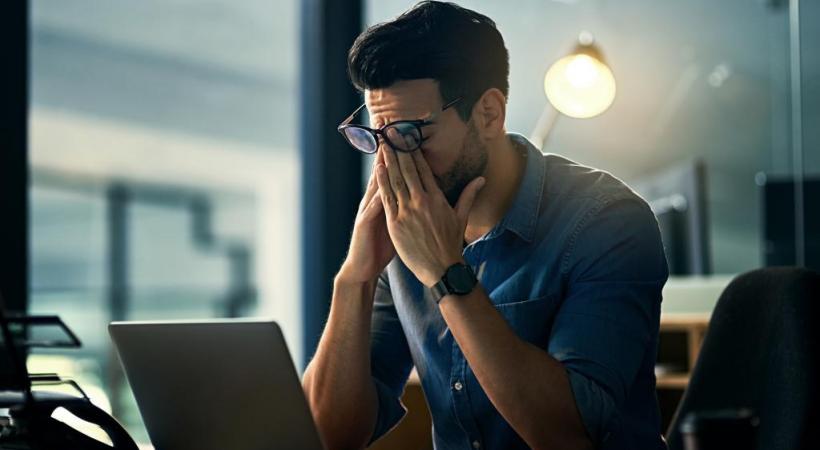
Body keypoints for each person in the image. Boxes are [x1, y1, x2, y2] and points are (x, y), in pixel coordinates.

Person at [301, 2, 669, 449]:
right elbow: (328, 436)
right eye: (378, 137)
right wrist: (356, 276)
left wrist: (445, 272)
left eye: (410, 134)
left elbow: (571, 434)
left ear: (489, 114)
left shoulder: (607, 221)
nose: (392, 164)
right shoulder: (401, 235)